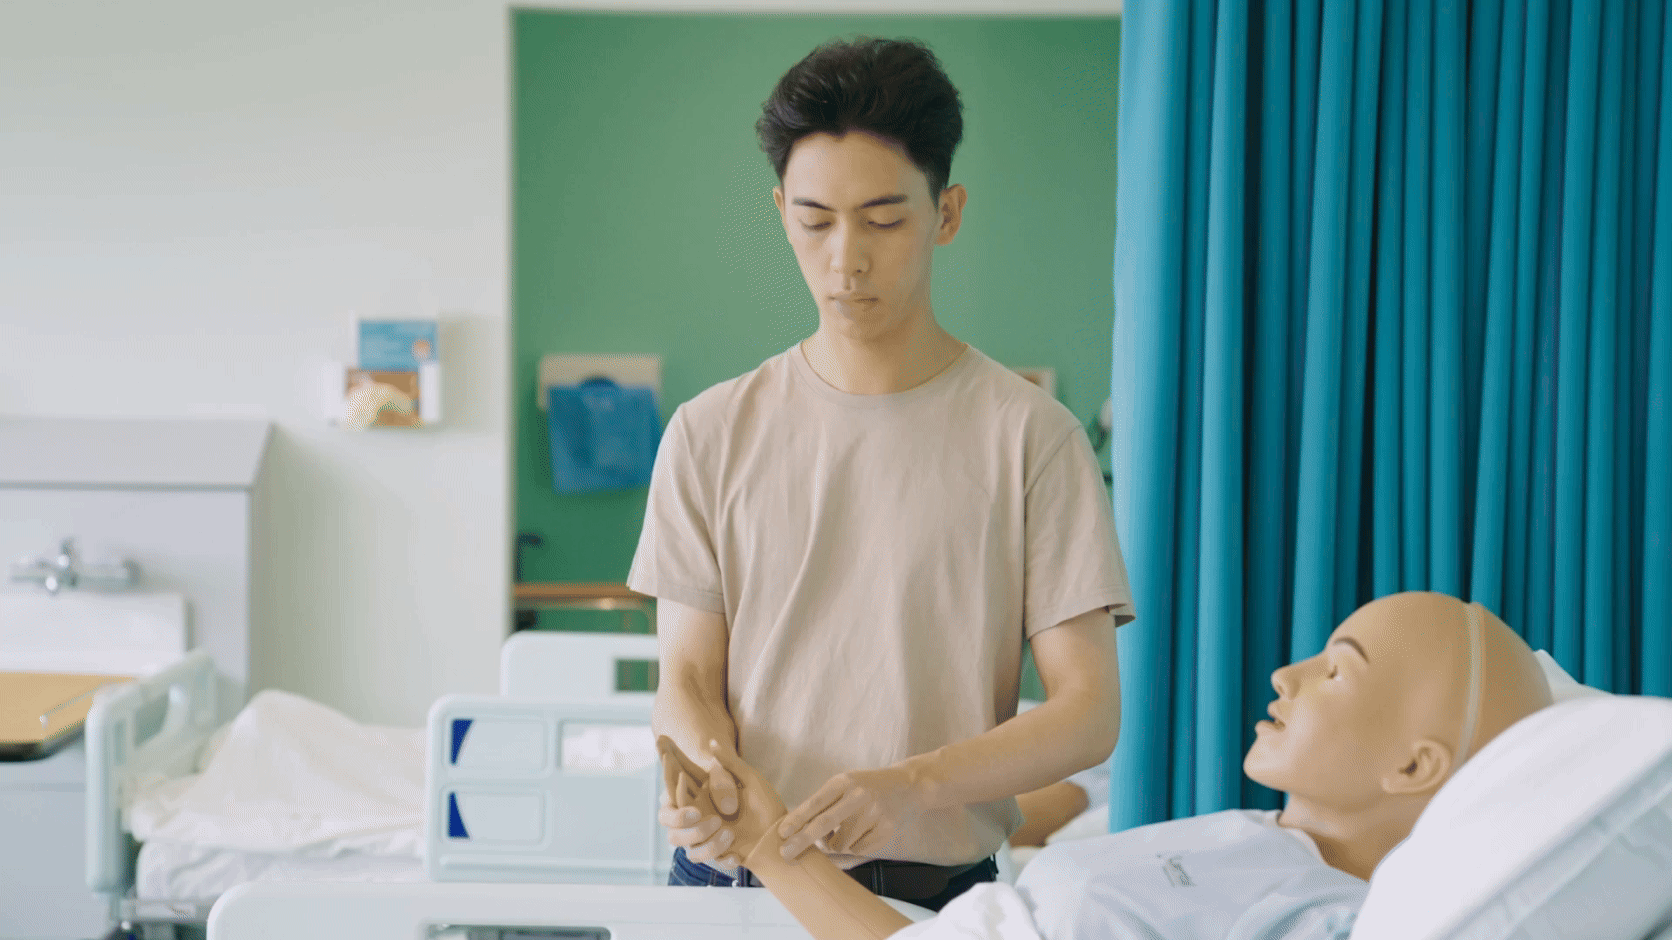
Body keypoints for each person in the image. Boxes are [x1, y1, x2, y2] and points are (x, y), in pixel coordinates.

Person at [628, 36, 1134, 912]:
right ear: (781, 211)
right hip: (730, 887)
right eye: (815, 221)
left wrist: (917, 784)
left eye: (884, 220)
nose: (846, 258)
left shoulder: (1032, 438)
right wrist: (708, 779)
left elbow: (1088, 711)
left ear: (947, 213)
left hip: (933, 901)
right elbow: (687, 678)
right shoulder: (707, 432)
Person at [658, 591, 1554, 940]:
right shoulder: (1261, 841)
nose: (1287, 674)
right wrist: (767, 845)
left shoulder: (1320, 918)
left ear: (1415, 766)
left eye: (1336, 670)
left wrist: (776, 848)